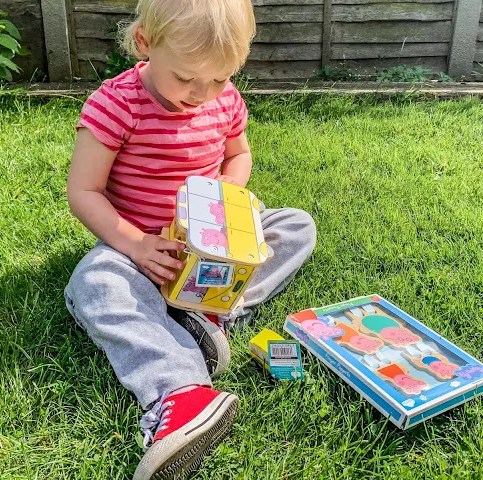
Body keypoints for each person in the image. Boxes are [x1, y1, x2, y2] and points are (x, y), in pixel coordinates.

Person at [63, 0, 317, 477]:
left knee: (297, 225)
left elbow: (238, 155)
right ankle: (182, 390)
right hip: (142, 249)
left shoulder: (224, 98)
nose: (203, 94)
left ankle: (212, 307)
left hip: (213, 246)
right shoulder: (116, 104)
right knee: (94, 280)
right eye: (186, 78)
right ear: (145, 43)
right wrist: (136, 244)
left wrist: (228, 193)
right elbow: (84, 192)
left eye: (220, 78)